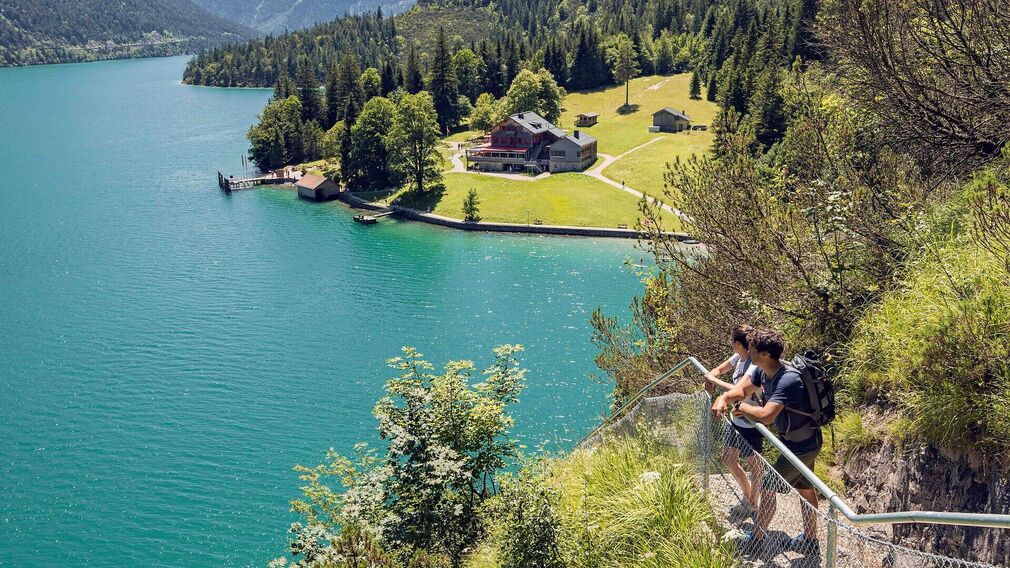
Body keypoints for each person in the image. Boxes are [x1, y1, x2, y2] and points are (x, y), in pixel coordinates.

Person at [712, 328, 823, 554]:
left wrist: (742, 407)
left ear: (764, 354)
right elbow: (741, 390)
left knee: (767, 486)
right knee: (805, 489)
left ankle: (756, 539)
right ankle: (811, 541)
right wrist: (724, 397)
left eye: (752, 348)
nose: (748, 351)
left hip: (801, 447)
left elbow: (767, 415)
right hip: (802, 441)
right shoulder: (763, 371)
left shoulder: (788, 379)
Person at [704, 324, 764, 511]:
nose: (731, 344)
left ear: (738, 343)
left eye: (732, 341)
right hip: (736, 417)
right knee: (729, 460)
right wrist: (711, 375)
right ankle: (748, 498)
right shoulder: (739, 356)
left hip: (751, 422)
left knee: (755, 465)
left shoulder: (753, 366)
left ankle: (753, 503)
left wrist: (714, 381)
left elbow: (738, 391)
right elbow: (719, 369)